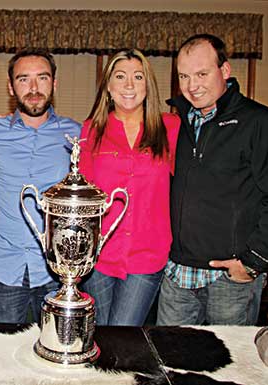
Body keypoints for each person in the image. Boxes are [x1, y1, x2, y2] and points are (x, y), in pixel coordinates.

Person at [156, 34, 268, 326]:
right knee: (170, 363)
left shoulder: (261, 122)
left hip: (229, 280)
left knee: (229, 368)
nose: (192, 86)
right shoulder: (177, 124)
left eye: (202, 74)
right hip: (177, 276)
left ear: (224, 71)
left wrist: (252, 262)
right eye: (184, 76)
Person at [0, 49, 81, 324]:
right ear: (10, 87)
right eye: (23, 79)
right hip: (5, 267)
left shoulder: (77, 133)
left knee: (57, 354)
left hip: (58, 270)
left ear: (54, 83)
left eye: (42, 78)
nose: (33, 88)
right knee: (2, 354)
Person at [78, 50, 180, 326]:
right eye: (120, 77)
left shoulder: (171, 127)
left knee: (124, 334)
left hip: (148, 254)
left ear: (148, 84)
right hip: (99, 254)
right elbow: (84, 196)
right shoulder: (91, 130)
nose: (129, 85)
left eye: (138, 76)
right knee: (97, 334)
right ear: (108, 86)